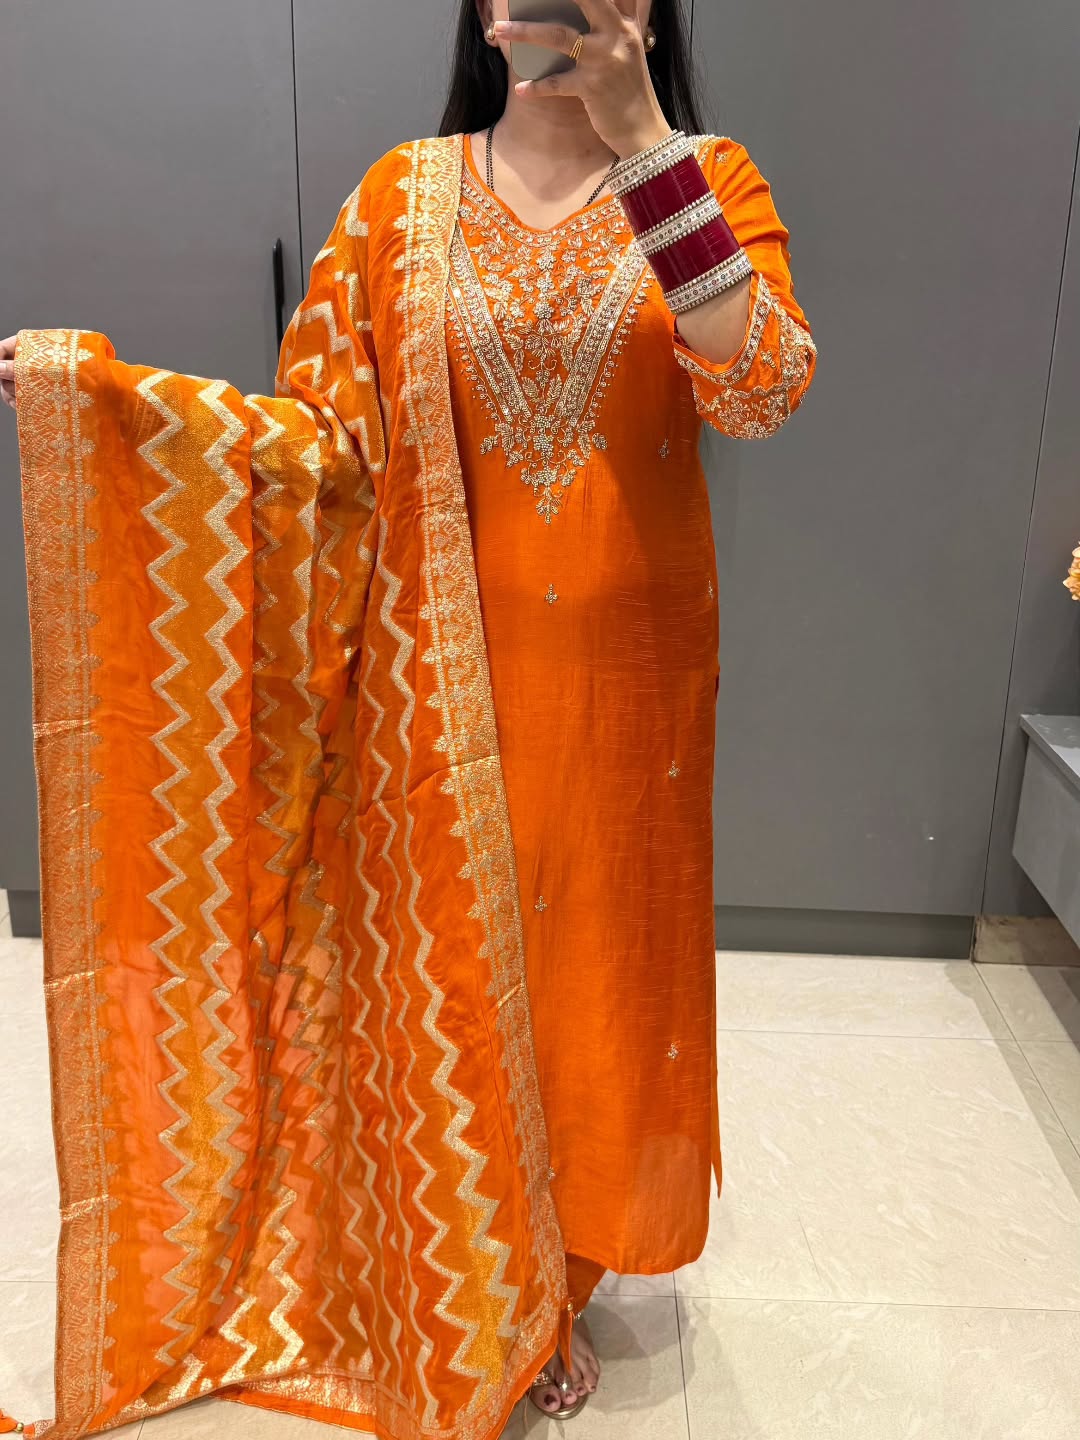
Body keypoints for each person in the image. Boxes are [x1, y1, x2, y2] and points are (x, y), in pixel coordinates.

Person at [0, 1, 816, 1436]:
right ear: (483, 11)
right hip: (433, 673)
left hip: (627, 683)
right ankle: (473, 1280)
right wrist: (118, 409)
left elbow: (760, 392)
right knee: (453, 968)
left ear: (648, 10)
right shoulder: (399, 198)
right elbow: (322, 446)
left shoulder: (707, 179)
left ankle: (554, 1282)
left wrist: (644, 144)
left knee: (592, 974)